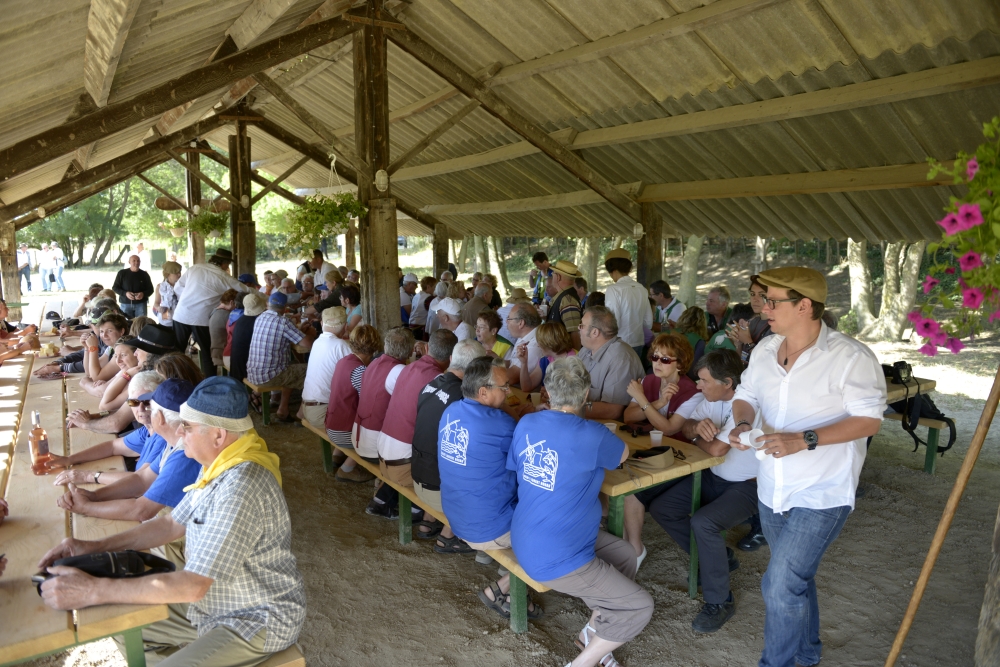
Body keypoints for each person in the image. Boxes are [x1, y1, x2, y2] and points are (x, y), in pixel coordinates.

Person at [38, 376, 306, 667]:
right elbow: (169, 525)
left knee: (116, 607)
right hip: (214, 602)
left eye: (188, 427)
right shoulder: (220, 466)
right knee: (120, 623)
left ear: (218, 436)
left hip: (254, 617)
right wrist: (95, 547)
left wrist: (93, 589)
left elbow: (193, 585)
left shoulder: (240, 486)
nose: (180, 431)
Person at [727, 267, 886, 667]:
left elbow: (869, 420)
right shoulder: (765, 349)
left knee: (780, 585)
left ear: (804, 306)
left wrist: (804, 439)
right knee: (794, 580)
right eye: (763, 299)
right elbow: (745, 394)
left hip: (822, 491)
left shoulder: (851, 357)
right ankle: (808, 652)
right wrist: (744, 422)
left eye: (772, 300)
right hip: (772, 488)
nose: (762, 307)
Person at [508, 357, 652, 667]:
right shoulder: (592, 433)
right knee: (640, 607)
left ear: (547, 391)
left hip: (528, 535)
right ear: (586, 395)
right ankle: (582, 663)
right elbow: (623, 454)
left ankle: (594, 631)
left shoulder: (527, 423)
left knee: (626, 554)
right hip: (557, 554)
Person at [639, 350, 761, 632]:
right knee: (663, 508)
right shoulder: (712, 398)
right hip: (713, 476)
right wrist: (695, 429)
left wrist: (696, 435)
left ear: (727, 382)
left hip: (747, 486)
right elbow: (687, 427)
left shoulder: (748, 407)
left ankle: (721, 601)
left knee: (704, 522)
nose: (698, 386)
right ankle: (720, 559)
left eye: (704, 381)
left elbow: (718, 448)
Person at [438, 357, 543, 619]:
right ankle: (503, 587)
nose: (508, 393)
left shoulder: (451, 411)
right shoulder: (502, 425)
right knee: (554, 533)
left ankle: (509, 591)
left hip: (455, 517)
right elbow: (531, 467)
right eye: (504, 387)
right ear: (483, 392)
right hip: (488, 528)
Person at [55, 379, 203, 523]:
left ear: (160, 417)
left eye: (149, 405)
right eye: (134, 403)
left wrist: (86, 507)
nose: (143, 410)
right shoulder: (173, 442)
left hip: (177, 536)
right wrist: (93, 496)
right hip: (164, 521)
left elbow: (142, 510)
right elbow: (142, 480)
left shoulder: (184, 453)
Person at [411, 339, 487, 554]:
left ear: (452, 359)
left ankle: (428, 521)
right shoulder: (464, 398)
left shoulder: (431, 385)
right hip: (439, 492)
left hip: (418, 479)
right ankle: (448, 536)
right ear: (476, 369)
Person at [377, 329, 457, 500]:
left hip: (383, 454)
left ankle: (384, 498)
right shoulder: (438, 381)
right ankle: (419, 510)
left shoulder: (406, 368)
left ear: (427, 348)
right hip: (402, 466)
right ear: (452, 357)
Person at [45, 372, 164, 483]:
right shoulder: (147, 430)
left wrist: (88, 476)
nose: (141, 408)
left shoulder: (163, 436)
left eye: (147, 402)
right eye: (134, 402)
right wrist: (68, 460)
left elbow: (140, 480)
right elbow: (112, 446)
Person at [354, 327, 415, 519]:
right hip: (374, 444)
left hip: (359, 434)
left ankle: (381, 501)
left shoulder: (375, 362)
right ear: (410, 350)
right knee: (413, 454)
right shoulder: (399, 370)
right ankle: (416, 509)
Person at [171, 248, 252, 377]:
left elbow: (178, 287)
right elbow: (245, 289)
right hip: (201, 318)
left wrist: (189, 299)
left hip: (182, 314)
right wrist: (265, 297)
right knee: (206, 353)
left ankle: (173, 378)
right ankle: (210, 382)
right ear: (225, 263)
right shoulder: (223, 276)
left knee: (176, 350)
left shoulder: (195, 268)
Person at [247, 292, 316, 422]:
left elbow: (280, 338)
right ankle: (304, 414)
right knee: (312, 371)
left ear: (268, 304)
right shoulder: (283, 321)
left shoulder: (260, 317)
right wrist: (311, 334)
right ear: (285, 308)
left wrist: (300, 332)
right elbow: (308, 344)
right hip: (269, 376)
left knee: (293, 364)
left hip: (253, 372)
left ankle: (283, 409)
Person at [325, 325, 381, 483]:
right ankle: (347, 469)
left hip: (331, 424)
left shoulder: (344, 361)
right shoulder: (360, 370)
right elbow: (368, 404)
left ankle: (337, 456)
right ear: (375, 346)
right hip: (343, 432)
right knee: (380, 436)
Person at [622, 333, 698, 437]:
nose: (658, 363)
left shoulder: (693, 394)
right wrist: (659, 403)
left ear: (679, 364)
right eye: (655, 357)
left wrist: (640, 397)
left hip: (678, 448)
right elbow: (628, 417)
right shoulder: (647, 380)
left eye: (665, 359)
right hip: (647, 443)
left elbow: (668, 429)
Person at [576, 306, 644, 421]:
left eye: (581, 325)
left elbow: (612, 411)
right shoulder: (586, 350)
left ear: (594, 332)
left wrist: (565, 408)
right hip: (586, 422)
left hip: (612, 431)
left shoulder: (620, 358)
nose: (578, 329)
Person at [301, 307, 351, 429]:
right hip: (322, 411)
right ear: (345, 326)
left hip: (308, 408)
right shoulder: (341, 345)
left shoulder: (318, 341)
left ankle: (337, 449)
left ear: (322, 323)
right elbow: (357, 375)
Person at [603, 249, 652, 358]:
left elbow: (613, 323)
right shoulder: (642, 289)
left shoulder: (613, 289)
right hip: (639, 342)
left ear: (612, 270)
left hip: (620, 344)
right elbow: (648, 323)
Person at [728, 274, 772, 367]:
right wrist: (739, 344)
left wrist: (748, 341)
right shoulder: (753, 322)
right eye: (752, 294)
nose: (755, 299)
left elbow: (767, 363)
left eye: (762, 295)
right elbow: (741, 362)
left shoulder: (776, 327)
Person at [228, 292, 266, 384]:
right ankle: (272, 396)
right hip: (245, 369)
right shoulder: (256, 322)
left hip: (236, 366)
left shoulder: (242, 319)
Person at [547, 260, 584, 348]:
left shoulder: (567, 300)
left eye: (553, 273)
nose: (552, 275)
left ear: (558, 277)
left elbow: (574, 332)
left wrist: (574, 359)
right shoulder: (564, 298)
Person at [209, 289, 239, 370]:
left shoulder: (215, 311)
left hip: (215, 352)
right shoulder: (227, 315)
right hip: (222, 354)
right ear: (232, 302)